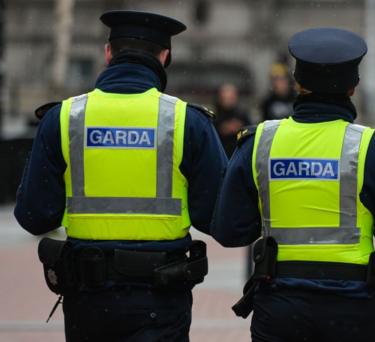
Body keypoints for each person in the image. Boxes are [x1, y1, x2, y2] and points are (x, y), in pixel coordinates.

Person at [15, 10, 227, 341]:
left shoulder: (64, 118)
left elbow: (33, 216)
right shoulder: (187, 122)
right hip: (161, 295)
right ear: (165, 56)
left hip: (89, 299)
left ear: (108, 53)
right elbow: (217, 217)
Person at [212, 28, 375, 342]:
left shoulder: (258, 143)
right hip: (354, 311)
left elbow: (229, 231)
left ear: (298, 84)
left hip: (280, 309)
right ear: (353, 88)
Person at [214, 83, 251, 157]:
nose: (228, 101)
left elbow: (250, 133)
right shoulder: (214, 116)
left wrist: (240, 129)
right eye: (225, 98)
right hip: (220, 155)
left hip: (238, 155)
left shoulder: (242, 115)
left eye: (230, 98)